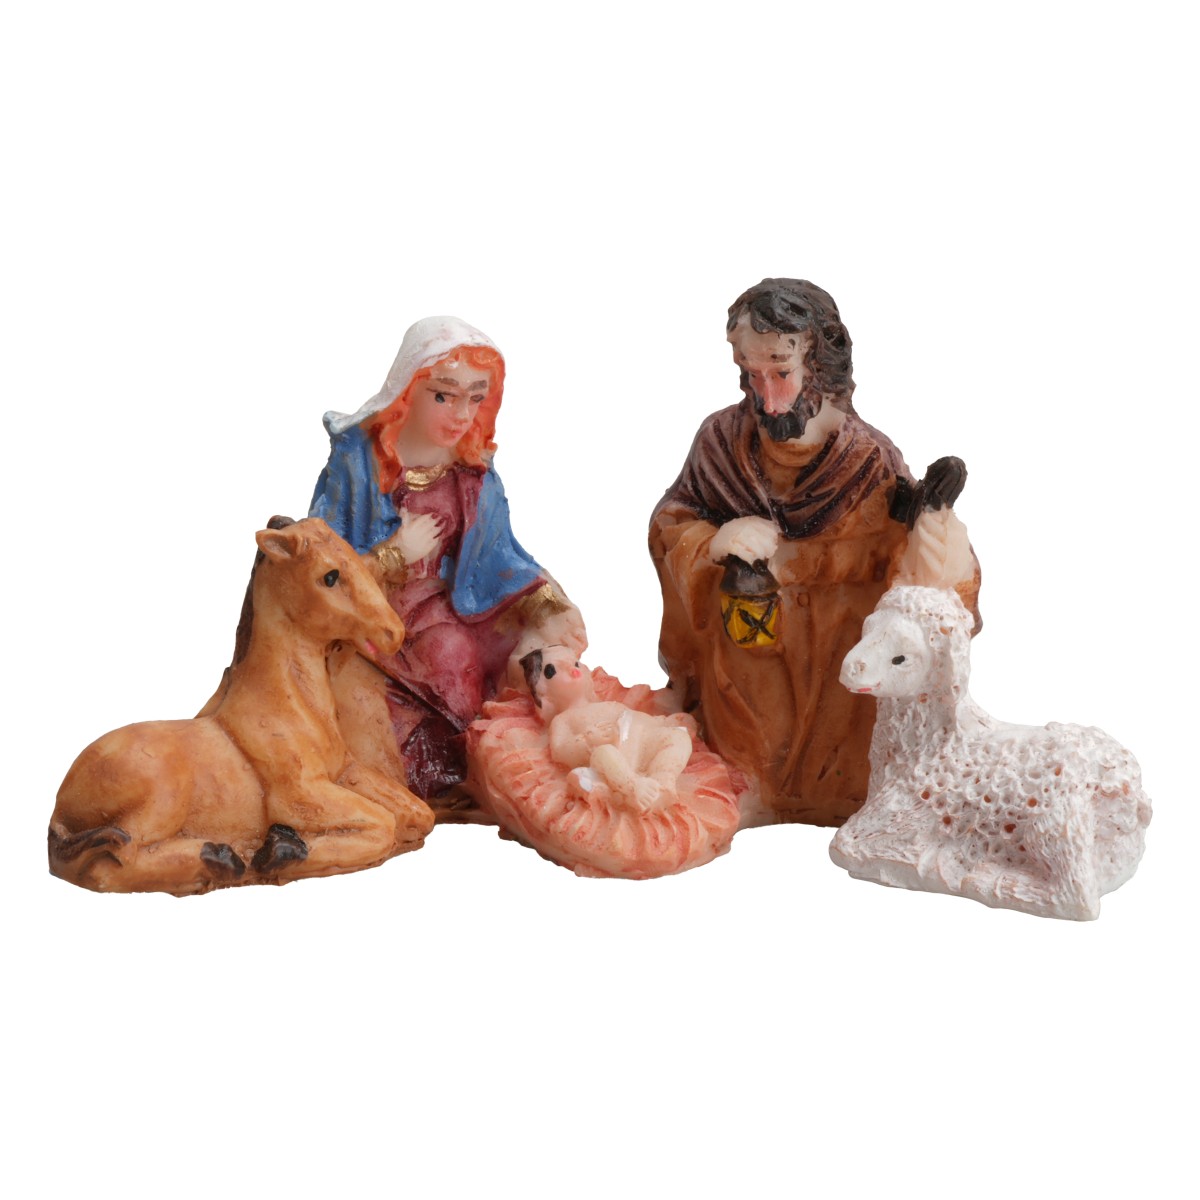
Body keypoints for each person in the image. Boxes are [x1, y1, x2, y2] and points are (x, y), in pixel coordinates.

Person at [649, 279, 980, 828]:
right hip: (749, 654)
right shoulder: (720, 443)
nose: (766, 396)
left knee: (842, 742)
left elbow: (911, 571)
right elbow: (672, 523)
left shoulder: (867, 458)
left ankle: (846, 796)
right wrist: (714, 543)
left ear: (819, 365)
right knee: (748, 745)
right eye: (751, 373)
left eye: (781, 371)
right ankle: (748, 788)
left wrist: (933, 529)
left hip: (838, 658)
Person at [310, 316, 583, 803]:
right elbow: (319, 559)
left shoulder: (473, 472)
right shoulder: (358, 462)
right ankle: (394, 777)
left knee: (457, 653)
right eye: (443, 395)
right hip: (364, 618)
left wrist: (548, 604)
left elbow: (500, 557)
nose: (460, 414)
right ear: (408, 391)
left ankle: (460, 772)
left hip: (442, 609)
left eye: (475, 398)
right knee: (369, 696)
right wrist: (394, 554)